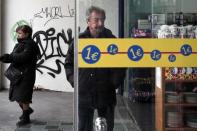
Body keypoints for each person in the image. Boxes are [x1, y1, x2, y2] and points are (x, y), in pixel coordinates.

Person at [65, 6, 125, 131]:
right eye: (96, 20)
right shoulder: (79, 41)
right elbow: (69, 63)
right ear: (88, 21)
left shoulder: (112, 40)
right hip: (84, 92)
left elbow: (122, 63)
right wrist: (74, 81)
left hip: (106, 92)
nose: (101, 23)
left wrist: (114, 82)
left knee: (107, 127)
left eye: (103, 19)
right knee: (84, 127)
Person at [0, 25, 41, 127]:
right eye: (17, 33)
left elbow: (23, 57)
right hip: (18, 75)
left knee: (24, 97)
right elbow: (13, 56)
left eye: (20, 33)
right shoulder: (20, 44)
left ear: (27, 34)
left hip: (26, 75)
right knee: (16, 96)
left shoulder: (30, 45)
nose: (18, 35)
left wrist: (10, 56)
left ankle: (26, 117)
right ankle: (27, 111)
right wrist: (4, 58)